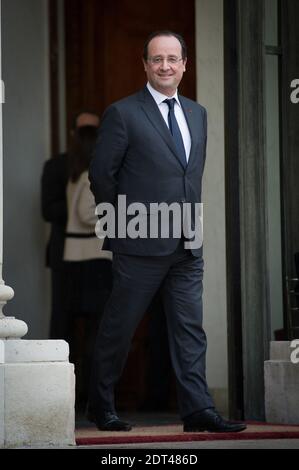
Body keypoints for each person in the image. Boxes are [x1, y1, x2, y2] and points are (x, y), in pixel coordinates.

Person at [88, 30, 247, 433]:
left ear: (184, 65)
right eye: (157, 59)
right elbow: (101, 175)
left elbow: (188, 176)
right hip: (138, 239)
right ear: (145, 64)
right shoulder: (122, 113)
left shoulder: (198, 113)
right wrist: (123, 226)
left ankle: (198, 411)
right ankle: (100, 406)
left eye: (172, 59)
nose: (165, 66)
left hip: (187, 242)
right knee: (120, 328)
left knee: (190, 329)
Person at [63, 124, 113, 411]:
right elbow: (86, 214)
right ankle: (93, 393)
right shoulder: (87, 177)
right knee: (97, 330)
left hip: (76, 260)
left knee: (80, 331)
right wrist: (114, 216)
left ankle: (81, 390)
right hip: (93, 259)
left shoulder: (73, 176)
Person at [41, 110, 101, 341]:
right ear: (73, 133)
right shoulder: (56, 166)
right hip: (64, 255)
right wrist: (78, 204)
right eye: (84, 132)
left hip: (97, 255)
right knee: (62, 322)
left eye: (94, 132)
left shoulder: (103, 165)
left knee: (97, 324)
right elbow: (48, 210)